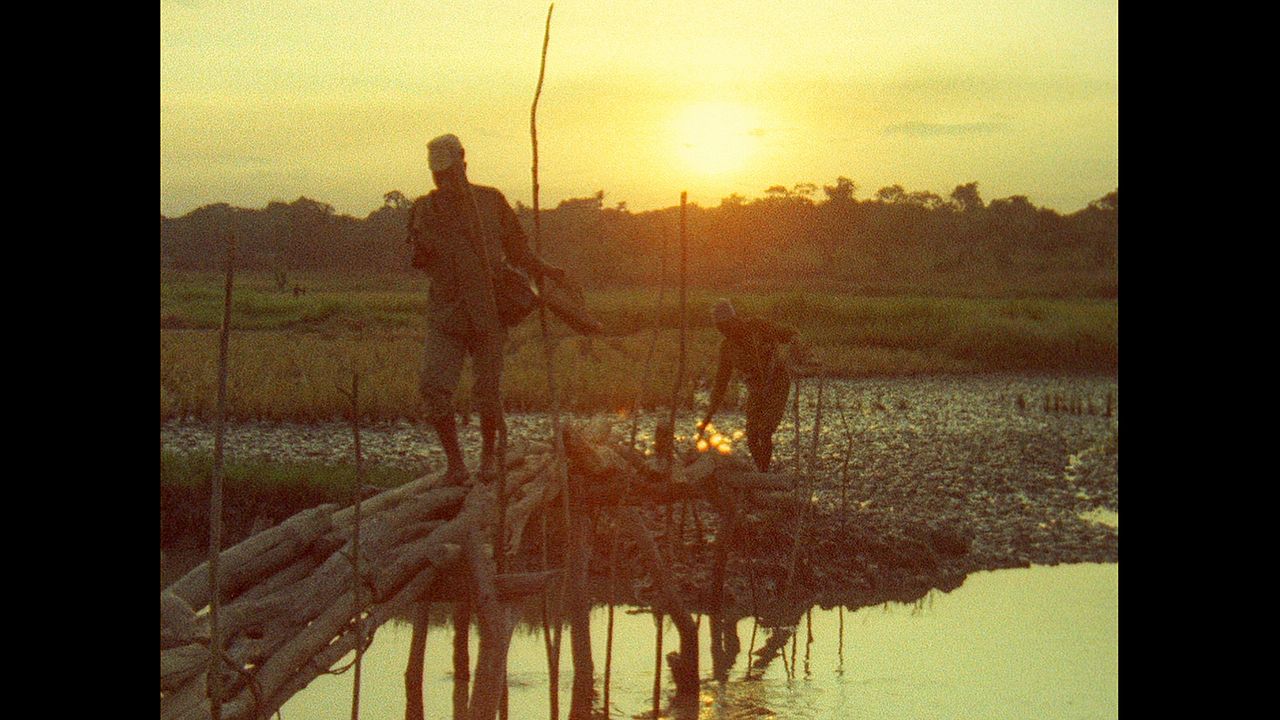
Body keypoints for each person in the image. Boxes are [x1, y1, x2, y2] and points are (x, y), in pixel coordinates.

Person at [407, 133, 565, 484]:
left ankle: (489, 458)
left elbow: (519, 251)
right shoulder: (425, 209)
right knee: (433, 387)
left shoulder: (491, 202)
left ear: (463, 161)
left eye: (448, 171)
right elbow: (419, 260)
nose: (443, 180)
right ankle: (455, 466)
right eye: (438, 175)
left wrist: (549, 271)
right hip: (447, 314)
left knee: (488, 392)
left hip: (489, 313)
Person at [699, 299, 798, 472]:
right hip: (756, 387)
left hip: (777, 382)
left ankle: (764, 474)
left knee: (765, 431)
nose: (723, 332)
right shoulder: (727, 349)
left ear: (733, 320)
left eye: (725, 326)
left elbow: (788, 334)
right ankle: (762, 473)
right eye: (719, 329)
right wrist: (708, 417)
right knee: (751, 436)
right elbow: (720, 384)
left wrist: (796, 347)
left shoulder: (757, 326)